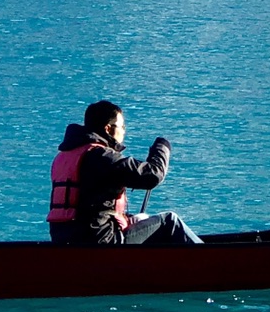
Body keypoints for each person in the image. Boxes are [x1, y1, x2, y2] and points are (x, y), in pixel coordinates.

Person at [47, 100, 203, 246]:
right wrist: (163, 147)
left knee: (141, 220)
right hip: (101, 242)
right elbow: (153, 175)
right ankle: (214, 260)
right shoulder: (102, 157)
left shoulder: (63, 157)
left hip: (64, 241)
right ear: (108, 129)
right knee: (170, 222)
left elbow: (90, 208)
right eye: (122, 127)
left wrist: (129, 220)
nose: (123, 132)